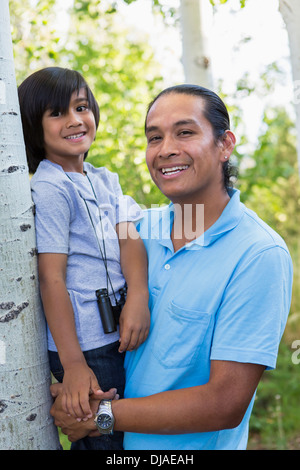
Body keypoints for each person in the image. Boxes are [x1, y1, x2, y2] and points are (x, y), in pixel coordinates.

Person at [50, 84, 293, 450]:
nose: (165, 150)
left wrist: (100, 416)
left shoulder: (258, 254)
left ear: (225, 145)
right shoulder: (135, 233)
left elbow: (224, 404)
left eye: (185, 132)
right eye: (154, 137)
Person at [18, 67, 150, 450]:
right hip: (86, 347)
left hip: (123, 332)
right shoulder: (50, 187)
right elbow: (51, 278)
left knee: (122, 434)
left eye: (81, 107)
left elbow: (129, 238)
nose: (75, 120)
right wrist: (74, 364)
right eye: (57, 114)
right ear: (33, 128)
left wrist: (138, 296)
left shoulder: (104, 178)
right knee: (101, 437)